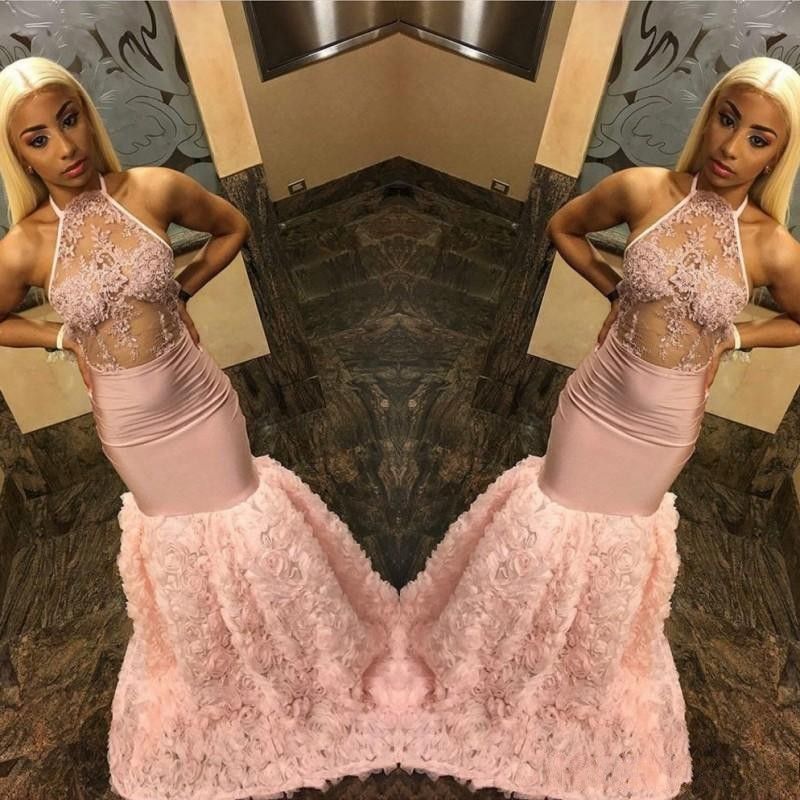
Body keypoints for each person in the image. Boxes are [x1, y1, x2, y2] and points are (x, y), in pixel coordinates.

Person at [393, 56, 800, 799]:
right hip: (598, 401)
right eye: (727, 119)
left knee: (615, 546)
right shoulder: (645, 188)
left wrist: (735, 338)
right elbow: (564, 227)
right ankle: (506, 656)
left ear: (778, 156)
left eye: (758, 138)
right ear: (710, 114)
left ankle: (577, 676)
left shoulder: (773, 245)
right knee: (551, 519)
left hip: (665, 426)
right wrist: (615, 290)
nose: (731, 146)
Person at [0, 56, 401, 800]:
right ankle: (219, 677)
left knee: (245, 520)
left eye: (69, 119)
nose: (65, 146)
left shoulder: (151, 188)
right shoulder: (23, 245)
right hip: (131, 427)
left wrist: (181, 290)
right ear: (19, 156)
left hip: (198, 402)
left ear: (87, 114)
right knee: (181, 546)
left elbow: (232, 227)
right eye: (38, 138)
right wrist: (61, 338)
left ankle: (291, 658)